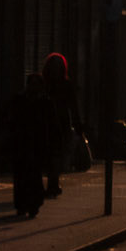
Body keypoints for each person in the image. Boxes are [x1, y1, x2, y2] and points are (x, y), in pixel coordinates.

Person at [0, 73, 54, 218]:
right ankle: (23, 205)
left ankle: (32, 204)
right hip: (22, 143)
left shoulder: (43, 102)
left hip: (35, 144)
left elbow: (50, 126)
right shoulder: (20, 100)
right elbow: (10, 119)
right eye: (32, 84)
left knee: (33, 175)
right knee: (22, 176)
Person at [41, 51, 83, 199]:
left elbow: (73, 105)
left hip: (50, 123)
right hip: (57, 123)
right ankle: (53, 183)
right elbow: (73, 106)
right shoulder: (65, 84)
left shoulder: (45, 83)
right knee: (55, 155)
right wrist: (78, 125)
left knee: (52, 155)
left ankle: (52, 183)